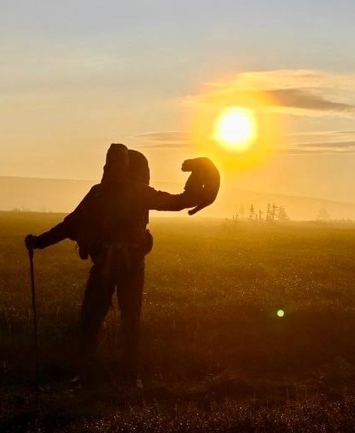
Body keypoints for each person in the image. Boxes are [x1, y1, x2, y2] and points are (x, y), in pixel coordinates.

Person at [24, 143, 218, 384]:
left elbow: (69, 225)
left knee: (110, 320)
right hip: (124, 266)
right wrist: (40, 242)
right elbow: (178, 202)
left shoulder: (108, 193)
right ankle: (109, 374)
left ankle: (108, 374)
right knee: (108, 320)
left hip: (118, 265)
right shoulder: (120, 193)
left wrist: (39, 242)